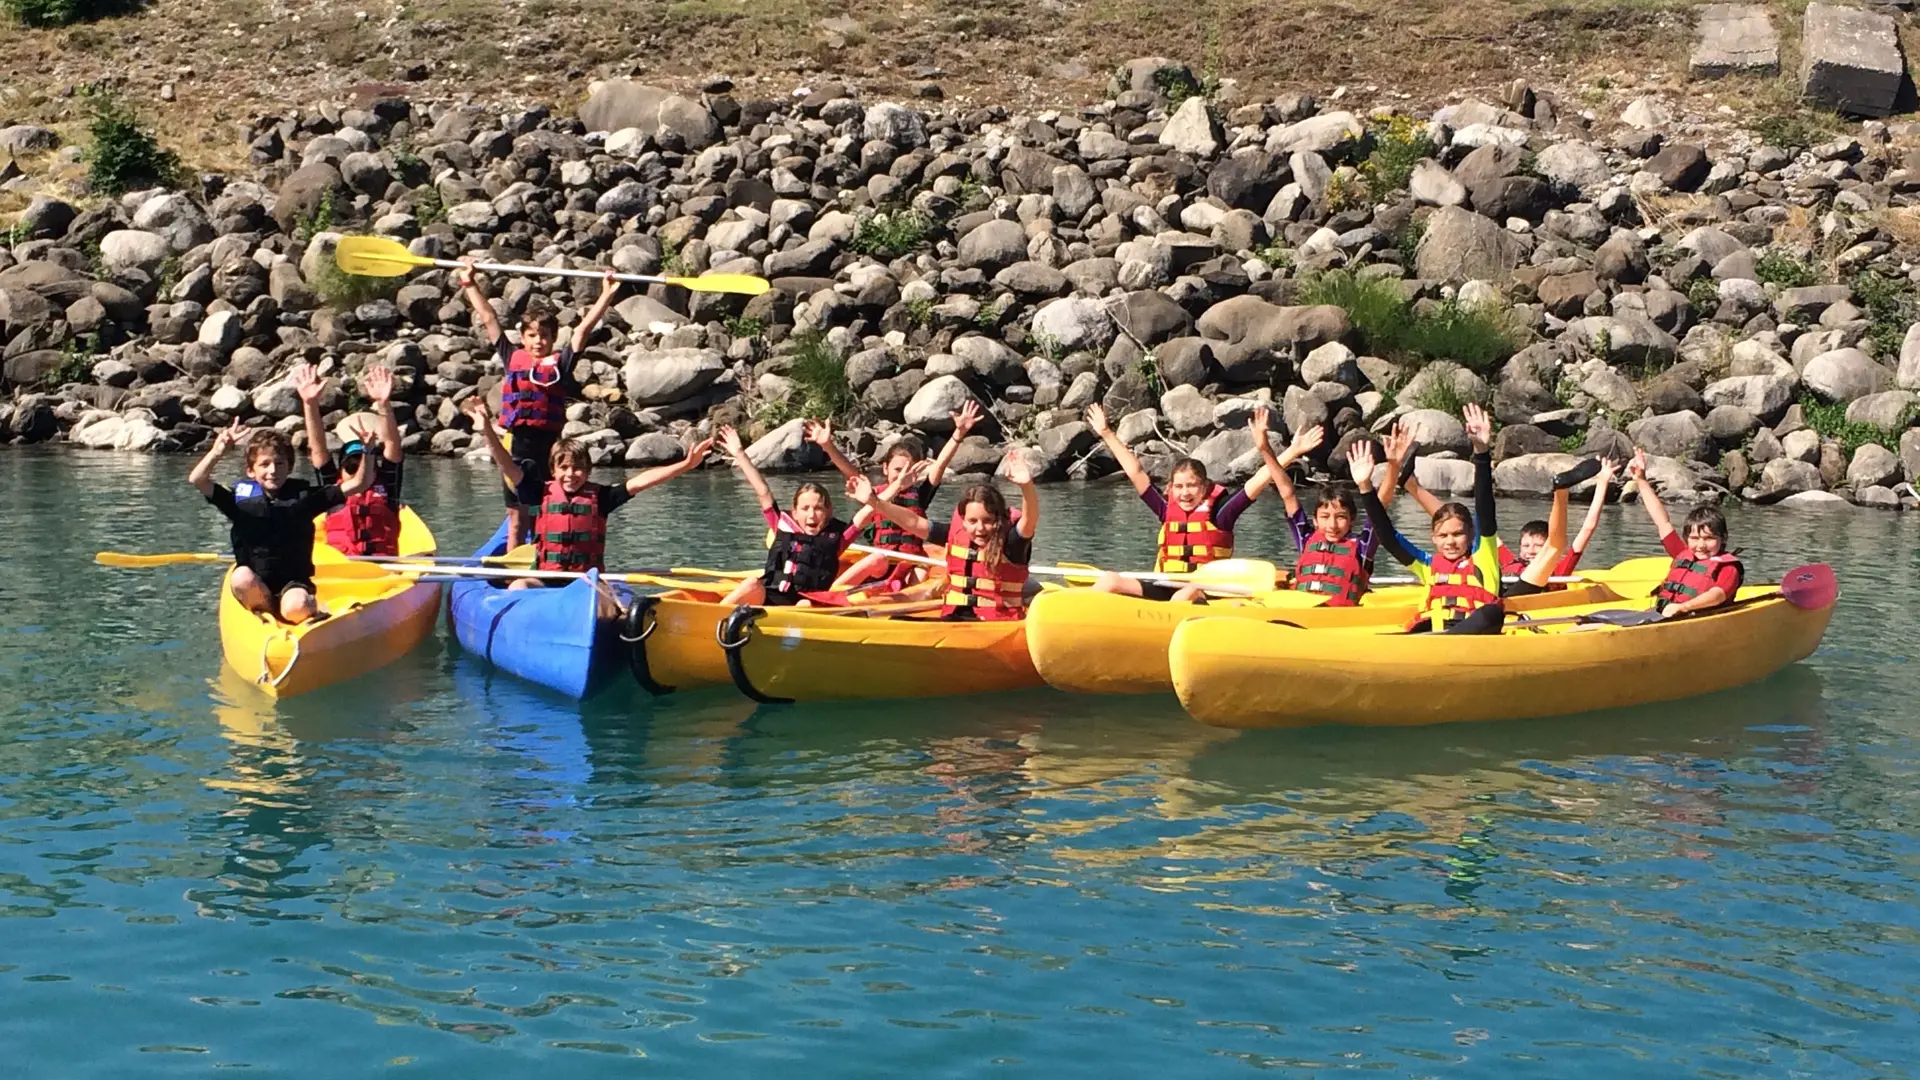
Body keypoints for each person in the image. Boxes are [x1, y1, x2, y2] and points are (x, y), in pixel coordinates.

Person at [463, 397, 712, 608]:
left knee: (620, 605)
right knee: (518, 585)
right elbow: (506, 464)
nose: (571, 474)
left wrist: (685, 465)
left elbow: (643, 481)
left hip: (586, 581)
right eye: (564, 468)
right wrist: (486, 428)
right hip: (544, 578)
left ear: (589, 471)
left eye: (579, 468)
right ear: (554, 470)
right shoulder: (539, 492)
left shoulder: (601, 497)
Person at [458, 258, 621, 549]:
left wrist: (606, 293)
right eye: (532, 336)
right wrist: (469, 283)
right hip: (517, 444)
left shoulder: (562, 363)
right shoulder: (513, 358)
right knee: (517, 517)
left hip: (550, 448)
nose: (538, 342)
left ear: (553, 338)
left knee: (549, 510)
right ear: (522, 337)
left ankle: (547, 563)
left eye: (544, 336)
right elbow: (489, 318)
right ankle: (515, 579)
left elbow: (583, 330)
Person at [1084, 402, 1274, 602]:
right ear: (1171, 488)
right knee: (1110, 580)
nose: (1185, 493)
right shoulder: (1165, 509)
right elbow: (1135, 472)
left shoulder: (1221, 513)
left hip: (1206, 591)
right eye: (1179, 487)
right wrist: (1106, 432)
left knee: (1183, 596)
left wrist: (1278, 449)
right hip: (1166, 586)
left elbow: (1258, 481)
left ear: (1204, 486)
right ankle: (1075, 611)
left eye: (1191, 486)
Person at [190, 419, 374, 624]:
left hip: (293, 583)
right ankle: (267, 613)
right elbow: (197, 479)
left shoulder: (306, 498)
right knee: (241, 576)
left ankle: (302, 609)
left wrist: (368, 451)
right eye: (264, 464)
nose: (273, 471)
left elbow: (360, 483)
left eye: (279, 464)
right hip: (257, 584)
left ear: (289, 467)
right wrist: (217, 452)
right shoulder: (236, 501)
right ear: (251, 471)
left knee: (296, 607)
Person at [850, 456, 1040, 621]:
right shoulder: (955, 536)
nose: (980, 528)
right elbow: (914, 522)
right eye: (972, 521)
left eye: (988, 521)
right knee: (896, 620)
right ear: (963, 521)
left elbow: (1029, 520)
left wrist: (1026, 487)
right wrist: (874, 502)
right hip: (955, 618)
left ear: (999, 520)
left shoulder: (1011, 543)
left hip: (995, 624)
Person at [824, 400, 983, 590]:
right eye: (897, 469)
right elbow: (849, 471)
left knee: (922, 570)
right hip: (883, 562)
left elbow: (939, 466)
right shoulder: (873, 495)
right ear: (885, 468)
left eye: (906, 470)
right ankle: (832, 592)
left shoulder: (919, 495)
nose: (901, 475)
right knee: (876, 559)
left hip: (911, 562)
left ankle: (907, 605)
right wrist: (827, 445)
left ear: (915, 472)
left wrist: (958, 434)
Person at [716, 425, 876, 607]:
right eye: (805, 508)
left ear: (829, 511)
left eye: (818, 508)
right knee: (752, 583)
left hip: (806, 604)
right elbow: (762, 490)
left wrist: (828, 446)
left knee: (804, 605)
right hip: (770, 598)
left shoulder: (838, 537)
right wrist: (739, 453)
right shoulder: (781, 525)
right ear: (795, 512)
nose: (811, 515)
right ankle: (712, 618)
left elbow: (871, 505)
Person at [1253, 418, 1407, 605]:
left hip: (1337, 622)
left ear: (1352, 520)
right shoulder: (1306, 538)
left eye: (1341, 517)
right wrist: (1264, 448)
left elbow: (1380, 505)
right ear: (1315, 520)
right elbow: (1287, 493)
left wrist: (1393, 465)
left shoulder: (1363, 547)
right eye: (1325, 517)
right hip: (1300, 613)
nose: (1332, 525)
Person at [293, 362, 406, 557]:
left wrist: (383, 404)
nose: (359, 471)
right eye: (351, 467)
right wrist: (309, 404)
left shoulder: (387, 485)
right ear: (341, 470)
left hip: (383, 572)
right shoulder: (332, 490)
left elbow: (392, 446)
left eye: (364, 462)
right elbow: (318, 449)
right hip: (342, 570)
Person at [1628, 449, 1743, 616]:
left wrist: (1684, 607)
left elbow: (1717, 595)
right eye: (1695, 538)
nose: (1701, 545)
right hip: (1661, 614)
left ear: (1723, 538)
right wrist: (1641, 480)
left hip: (1692, 617)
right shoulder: (1682, 553)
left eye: (1709, 538)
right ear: (1687, 539)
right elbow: (1661, 520)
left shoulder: (1728, 568)